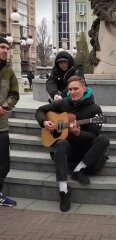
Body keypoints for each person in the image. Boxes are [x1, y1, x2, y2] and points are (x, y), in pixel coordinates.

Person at [35, 75, 110, 212]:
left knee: (103, 140)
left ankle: (78, 170)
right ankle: (63, 189)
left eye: (76, 88)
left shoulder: (95, 109)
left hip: (85, 151)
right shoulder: (63, 103)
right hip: (67, 150)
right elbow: (40, 110)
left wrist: (78, 133)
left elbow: (93, 135)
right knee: (60, 143)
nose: (73, 92)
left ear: (84, 88)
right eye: (70, 89)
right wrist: (45, 122)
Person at [0, 37, 20, 207]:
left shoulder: (8, 71)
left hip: (1, 126)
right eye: (1, 47)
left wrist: (5, 106)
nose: (5, 50)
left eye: (7, 47)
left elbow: (14, 93)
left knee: (4, 164)